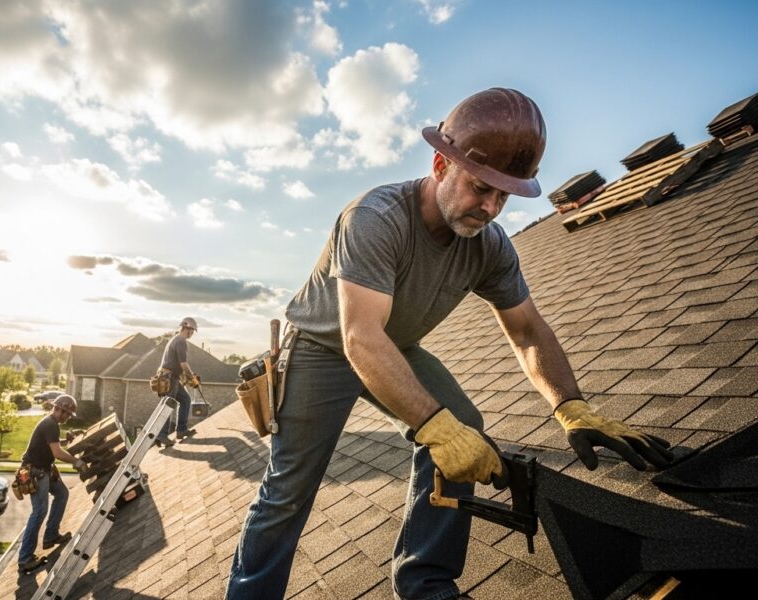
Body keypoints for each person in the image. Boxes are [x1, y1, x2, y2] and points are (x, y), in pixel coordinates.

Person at [225, 88, 674, 600]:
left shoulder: (489, 246)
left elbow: (527, 329)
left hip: (394, 345)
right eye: (481, 187)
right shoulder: (376, 218)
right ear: (441, 163)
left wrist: (571, 406)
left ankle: (425, 580)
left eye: (503, 196)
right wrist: (433, 426)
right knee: (288, 493)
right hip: (324, 348)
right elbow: (359, 338)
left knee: (465, 431)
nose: (489, 207)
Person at [17, 394, 88, 573]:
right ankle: (25, 559)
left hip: (45, 470)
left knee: (62, 493)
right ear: (61, 411)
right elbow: (57, 453)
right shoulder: (50, 424)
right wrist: (77, 462)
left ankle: (51, 535)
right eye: (67, 415)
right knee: (39, 512)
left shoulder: (51, 424)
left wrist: (68, 440)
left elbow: (53, 445)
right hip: (36, 473)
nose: (67, 418)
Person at [155, 317, 201, 447]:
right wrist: (192, 378)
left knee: (185, 400)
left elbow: (178, 365)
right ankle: (162, 435)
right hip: (169, 378)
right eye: (192, 331)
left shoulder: (175, 339)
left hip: (171, 377)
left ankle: (181, 430)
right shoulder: (181, 341)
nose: (192, 333)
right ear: (187, 329)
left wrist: (185, 377)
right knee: (168, 406)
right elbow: (184, 364)